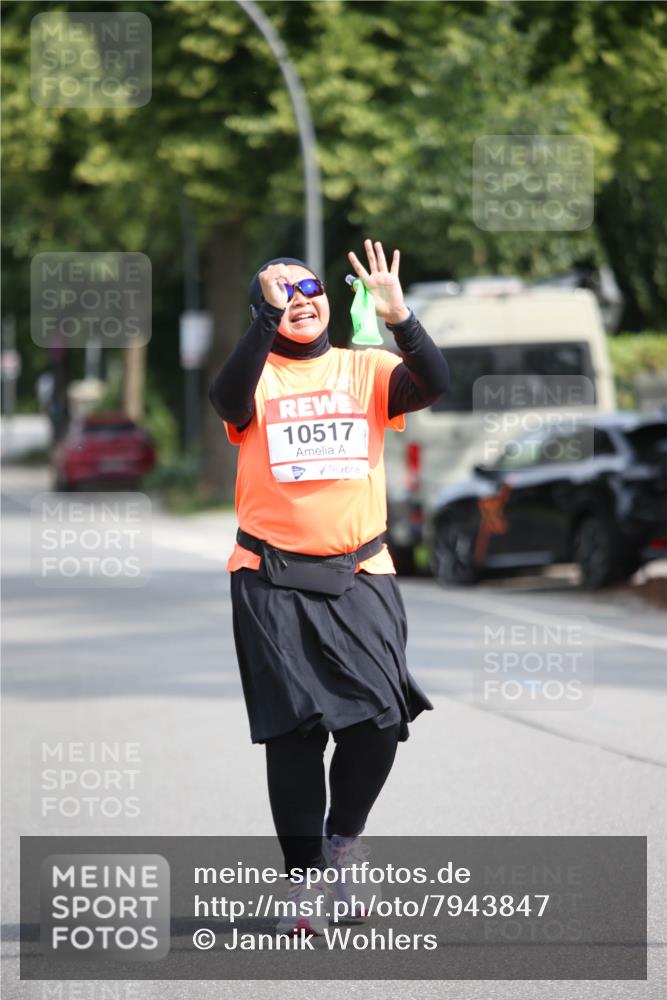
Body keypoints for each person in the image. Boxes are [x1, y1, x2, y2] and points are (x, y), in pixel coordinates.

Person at [209, 239, 450, 935]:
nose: (300, 300)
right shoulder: (255, 380)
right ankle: (303, 879)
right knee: (294, 735)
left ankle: (342, 843)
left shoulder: (366, 368)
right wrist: (265, 322)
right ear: (261, 311)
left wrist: (400, 316)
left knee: (379, 722)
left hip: (361, 573)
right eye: (280, 293)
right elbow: (225, 397)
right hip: (269, 577)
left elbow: (433, 382)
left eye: (309, 288)